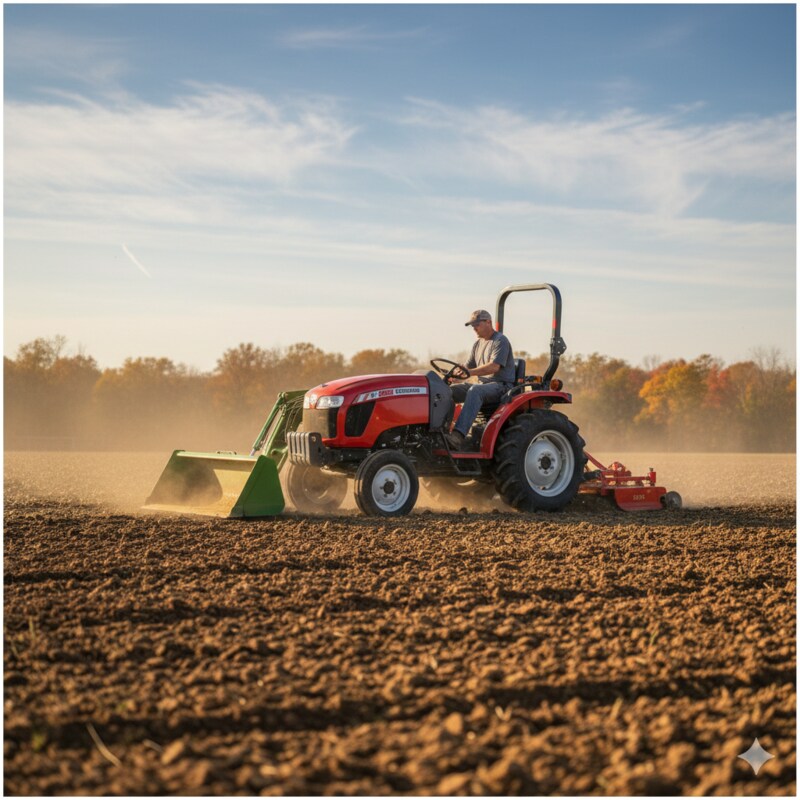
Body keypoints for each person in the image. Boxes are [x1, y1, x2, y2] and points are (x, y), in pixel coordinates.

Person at [445, 309, 515, 450]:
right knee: (448, 392)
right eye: (472, 325)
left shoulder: (500, 340)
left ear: (488, 322)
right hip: (484, 386)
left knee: (475, 390)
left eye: (477, 324)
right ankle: (443, 431)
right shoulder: (478, 344)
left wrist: (469, 373)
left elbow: (494, 367)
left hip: (501, 386)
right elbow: (468, 366)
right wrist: (454, 374)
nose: (474, 328)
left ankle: (458, 436)